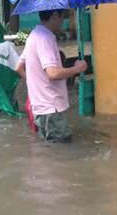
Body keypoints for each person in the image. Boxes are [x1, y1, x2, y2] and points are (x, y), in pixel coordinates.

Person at [16, 9, 87, 142]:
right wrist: (76, 69)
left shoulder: (34, 35)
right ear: (54, 15)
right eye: (62, 17)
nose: (62, 21)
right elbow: (53, 73)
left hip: (39, 107)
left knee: (51, 151)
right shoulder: (45, 38)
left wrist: (36, 85)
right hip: (51, 107)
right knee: (62, 152)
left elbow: (18, 68)